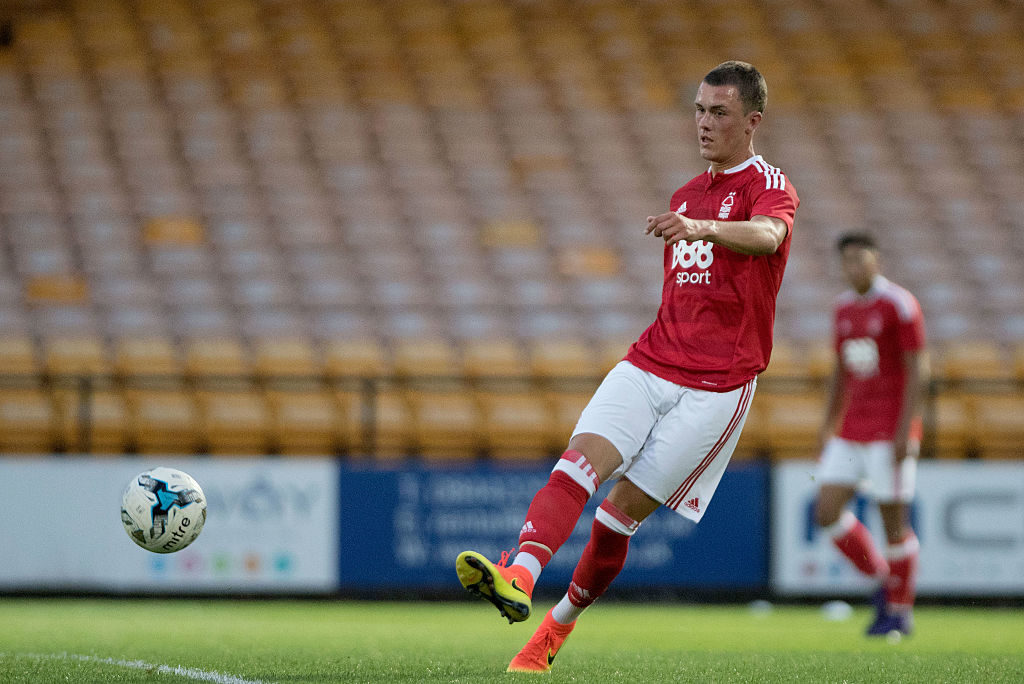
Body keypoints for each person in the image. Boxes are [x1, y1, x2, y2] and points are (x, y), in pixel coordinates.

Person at [455, 60, 799, 672]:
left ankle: (553, 634)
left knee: (617, 518)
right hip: (649, 362)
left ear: (752, 122)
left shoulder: (768, 185)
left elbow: (770, 237)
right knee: (576, 466)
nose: (703, 122)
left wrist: (700, 227)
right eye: (698, 109)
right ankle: (520, 574)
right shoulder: (685, 193)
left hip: (716, 387)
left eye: (718, 112)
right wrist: (692, 220)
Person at [813, 233, 927, 637]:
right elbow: (840, 372)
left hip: (889, 427)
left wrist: (906, 429)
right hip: (851, 427)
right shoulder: (843, 308)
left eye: (861, 260)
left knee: (893, 521)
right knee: (826, 511)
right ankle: (883, 582)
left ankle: (900, 612)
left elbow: (917, 369)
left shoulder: (899, 304)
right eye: (848, 261)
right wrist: (828, 425)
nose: (854, 268)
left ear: (876, 260)